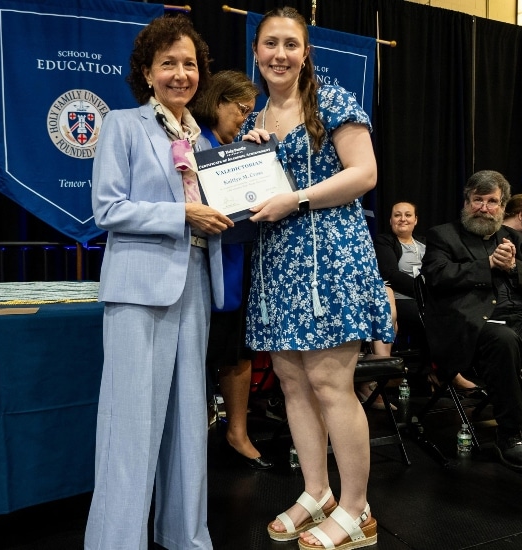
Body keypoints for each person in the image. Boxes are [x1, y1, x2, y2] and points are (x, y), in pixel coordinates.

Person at [241, 8, 392, 550]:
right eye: (270, 44)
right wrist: (255, 158)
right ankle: (316, 492)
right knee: (293, 383)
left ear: (306, 53)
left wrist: (296, 197)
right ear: (256, 52)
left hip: (329, 256)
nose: (280, 54)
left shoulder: (328, 99)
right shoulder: (257, 115)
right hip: (281, 262)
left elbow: (365, 173)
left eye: (290, 44)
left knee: (332, 385)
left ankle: (358, 510)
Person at [84, 15, 233, 550]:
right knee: (130, 424)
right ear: (147, 73)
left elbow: (225, 204)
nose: (180, 73)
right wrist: (183, 217)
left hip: (195, 284)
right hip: (138, 288)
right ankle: (116, 542)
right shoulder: (123, 125)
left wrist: (250, 165)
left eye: (189, 64)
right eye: (168, 63)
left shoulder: (205, 138)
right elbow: (107, 208)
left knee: (190, 423)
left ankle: (186, 537)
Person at [421, 170, 522, 473]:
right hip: (471, 327)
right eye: (478, 200)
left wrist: (513, 266)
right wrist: (485, 264)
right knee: (504, 340)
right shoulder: (443, 236)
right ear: (466, 201)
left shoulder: (518, 240)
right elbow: (436, 277)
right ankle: (510, 434)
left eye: (492, 201)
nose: (484, 207)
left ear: (502, 206)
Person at [192, 70, 272, 469]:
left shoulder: (243, 150)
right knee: (196, 356)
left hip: (238, 267)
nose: (246, 117)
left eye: (251, 112)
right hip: (195, 270)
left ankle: (236, 432)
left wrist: (257, 153)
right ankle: (193, 437)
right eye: (241, 109)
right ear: (218, 102)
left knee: (237, 354)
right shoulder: (192, 144)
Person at [372, 201, 480, 394]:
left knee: (462, 314)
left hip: (430, 298)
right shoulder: (384, 241)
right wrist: (424, 291)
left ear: (416, 220)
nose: (402, 219)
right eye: (397, 215)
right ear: (390, 220)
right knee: (433, 317)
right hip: (399, 300)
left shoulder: (426, 243)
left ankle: (438, 369)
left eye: (407, 215)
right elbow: (390, 274)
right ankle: (447, 372)